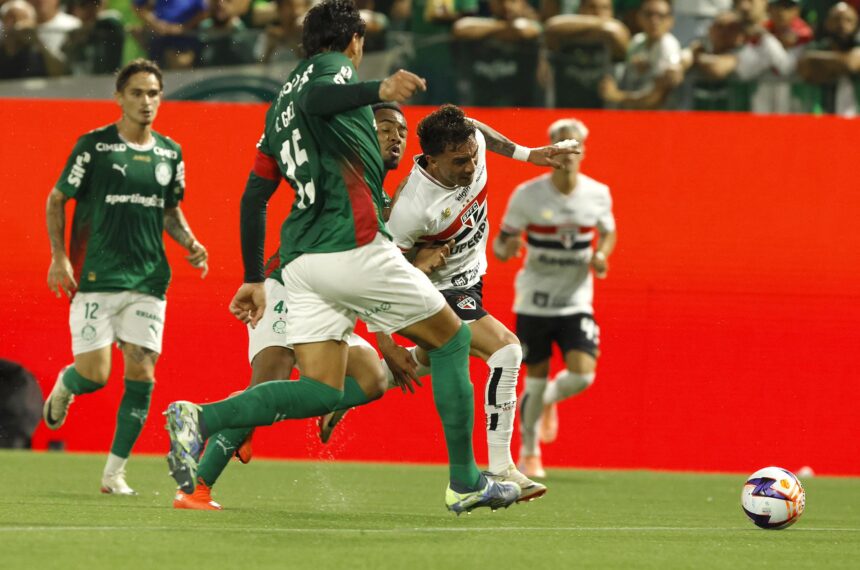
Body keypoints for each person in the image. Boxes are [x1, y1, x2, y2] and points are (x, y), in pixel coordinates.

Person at [162, 0, 571, 515]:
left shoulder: (277, 108)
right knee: (454, 340)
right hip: (349, 244)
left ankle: (201, 418)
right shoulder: (331, 72)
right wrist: (378, 89)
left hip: (301, 261)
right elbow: (318, 95)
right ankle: (467, 480)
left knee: (319, 390)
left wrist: (250, 275)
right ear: (353, 42)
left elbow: (253, 198)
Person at [175, 102, 414, 510]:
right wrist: (387, 336)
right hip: (289, 285)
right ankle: (196, 484)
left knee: (373, 378)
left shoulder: (378, 192)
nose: (396, 137)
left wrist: (334, 393)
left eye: (403, 131)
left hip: (329, 300)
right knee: (272, 372)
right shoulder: (347, 175)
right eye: (385, 128)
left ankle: (252, 415)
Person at [42, 58, 209, 495]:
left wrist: (190, 243)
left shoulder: (170, 153)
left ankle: (114, 473)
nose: (146, 101)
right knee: (95, 376)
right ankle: (66, 384)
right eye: (136, 93)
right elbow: (57, 199)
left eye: (153, 93)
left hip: (149, 280)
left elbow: (170, 210)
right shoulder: (94, 147)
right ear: (119, 98)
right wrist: (59, 257)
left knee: (143, 374)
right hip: (96, 277)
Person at [384, 104, 566, 502]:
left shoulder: (472, 142)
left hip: (470, 280)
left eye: (471, 157)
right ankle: (502, 467)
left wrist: (526, 154)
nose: (470, 168)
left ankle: (351, 387)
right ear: (431, 159)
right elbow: (381, 275)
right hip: (434, 291)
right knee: (506, 350)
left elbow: (478, 129)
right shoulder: (412, 206)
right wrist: (386, 336)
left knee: (419, 364)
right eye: (458, 162)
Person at [493, 118, 616, 479]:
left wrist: (602, 255)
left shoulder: (598, 193)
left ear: (583, 151)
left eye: (574, 145)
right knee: (533, 377)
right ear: (551, 150)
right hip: (534, 300)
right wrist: (508, 248)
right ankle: (530, 451)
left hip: (576, 298)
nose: (568, 151)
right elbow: (500, 245)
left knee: (582, 375)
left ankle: (545, 401)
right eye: (561, 145)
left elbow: (609, 232)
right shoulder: (527, 195)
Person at [599, 0, 684, 109]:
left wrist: (616, 96)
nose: (654, 20)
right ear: (639, 17)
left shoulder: (669, 47)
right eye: (649, 14)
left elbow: (655, 100)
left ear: (670, 21)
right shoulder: (637, 41)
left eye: (661, 16)